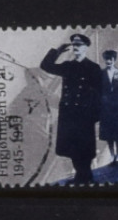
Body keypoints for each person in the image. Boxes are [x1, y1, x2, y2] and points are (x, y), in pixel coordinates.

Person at [40, 33, 106, 185]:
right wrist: (57, 51)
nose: (76, 47)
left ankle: (85, 176)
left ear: (86, 47)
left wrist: (96, 115)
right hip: (69, 113)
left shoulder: (93, 68)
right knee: (72, 147)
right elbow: (46, 66)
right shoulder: (68, 66)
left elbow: (99, 93)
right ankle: (82, 176)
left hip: (84, 113)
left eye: (79, 45)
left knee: (84, 147)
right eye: (74, 44)